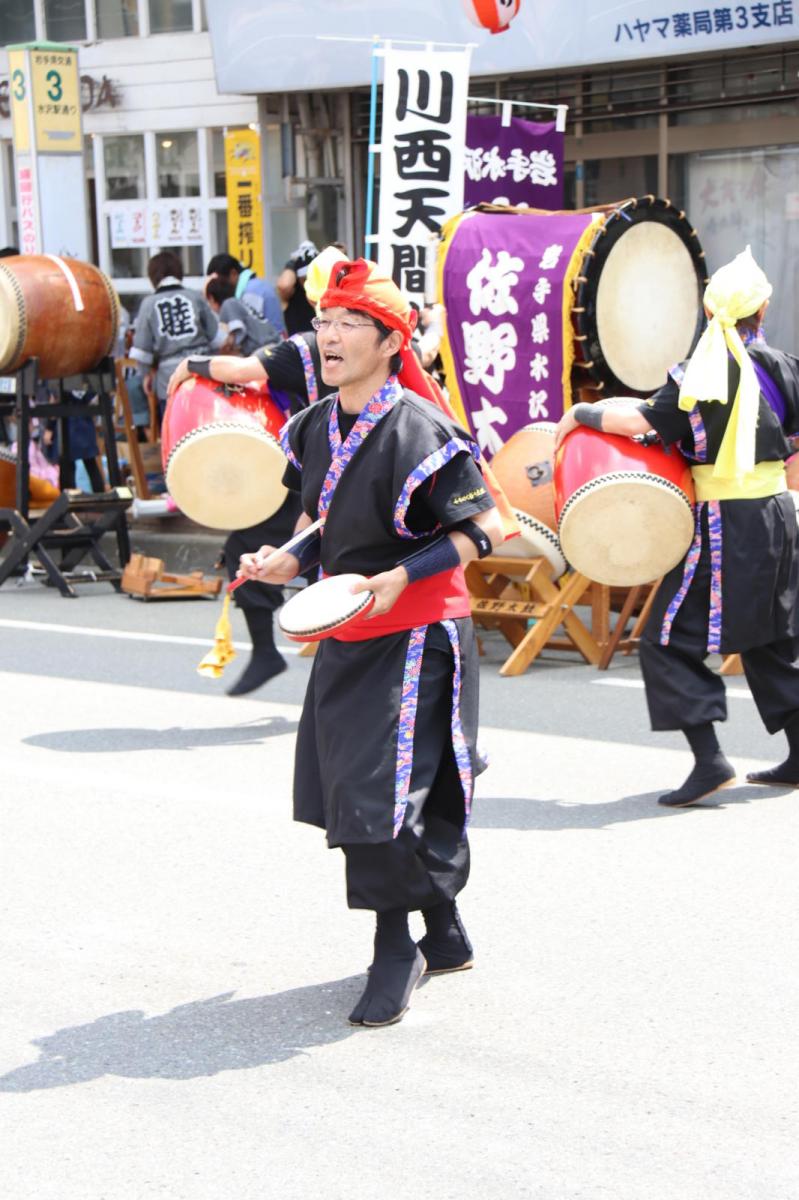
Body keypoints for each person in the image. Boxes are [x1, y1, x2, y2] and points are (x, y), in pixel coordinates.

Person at [236, 257, 504, 1027]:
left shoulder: (419, 427)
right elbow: (321, 522)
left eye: (349, 323)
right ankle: (443, 928)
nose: (328, 335)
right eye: (323, 321)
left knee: (381, 797)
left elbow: (482, 529)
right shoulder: (316, 425)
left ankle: (397, 947)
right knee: (347, 792)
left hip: (420, 633)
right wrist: (286, 560)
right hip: (350, 630)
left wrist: (400, 574)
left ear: (390, 342)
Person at [555, 247, 799, 807]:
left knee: (667, 637)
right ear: (763, 310)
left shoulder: (700, 373)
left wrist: (580, 414)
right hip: (779, 515)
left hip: (724, 520)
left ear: (709, 311)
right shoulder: (784, 365)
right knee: (773, 639)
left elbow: (641, 420)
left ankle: (710, 760)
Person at [167, 248, 343, 695]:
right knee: (261, 543)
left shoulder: (305, 347)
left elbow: (241, 368)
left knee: (265, 546)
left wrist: (189, 365)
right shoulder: (382, 340)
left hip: (332, 477)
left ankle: (274, 652)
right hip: (364, 469)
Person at [130, 251, 225, 419]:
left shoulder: (148, 304)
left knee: (174, 430)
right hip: (202, 371)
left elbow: (142, 351)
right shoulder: (195, 297)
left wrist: (146, 375)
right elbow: (217, 338)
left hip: (169, 377)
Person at [205, 253, 285, 337]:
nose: (219, 286)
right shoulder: (255, 285)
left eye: (220, 281)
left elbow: (249, 332)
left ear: (233, 274)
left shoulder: (250, 293)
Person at [205, 276, 281, 357]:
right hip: (275, 345)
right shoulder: (239, 302)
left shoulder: (228, 304)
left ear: (211, 298)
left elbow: (230, 340)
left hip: (264, 350)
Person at [276, 239, 321, 335]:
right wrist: (291, 264)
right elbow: (284, 285)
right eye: (305, 278)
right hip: (298, 347)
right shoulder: (292, 292)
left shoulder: (324, 289)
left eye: (312, 277)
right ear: (297, 277)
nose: (309, 282)